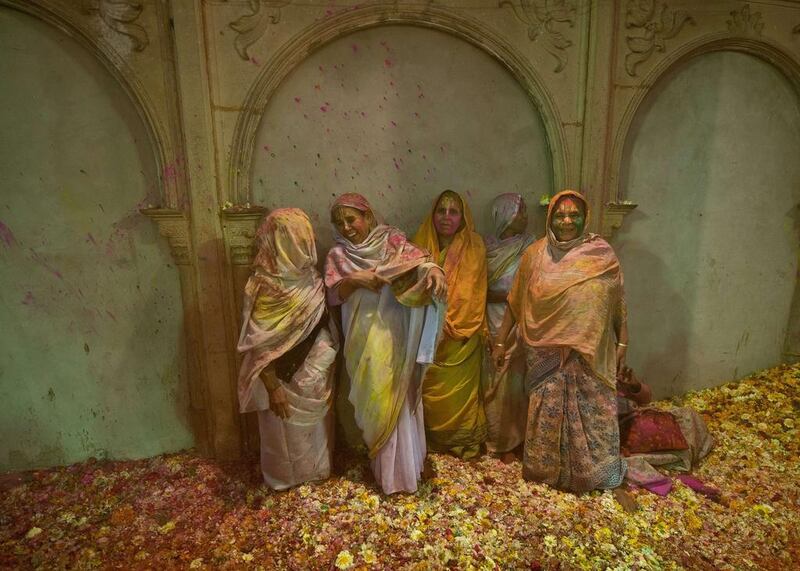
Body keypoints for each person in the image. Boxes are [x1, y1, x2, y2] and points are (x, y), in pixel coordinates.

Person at [492, 190, 634, 507]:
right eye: (560, 215)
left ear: (585, 217)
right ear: (550, 218)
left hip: (590, 355)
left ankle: (594, 474)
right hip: (544, 353)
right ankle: (547, 474)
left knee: (590, 414)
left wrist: (622, 340)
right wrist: (501, 340)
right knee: (546, 413)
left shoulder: (601, 255)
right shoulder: (534, 255)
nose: (567, 221)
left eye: (574, 215)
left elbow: (618, 304)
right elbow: (516, 303)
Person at [324, 193, 446, 494]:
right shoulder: (337, 256)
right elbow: (332, 297)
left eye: (351, 219)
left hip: (394, 331)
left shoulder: (391, 241)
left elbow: (420, 261)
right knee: (373, 397)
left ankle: (405, 472)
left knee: (397, 394)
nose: (346, 227)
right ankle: (386, 472)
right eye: (339, 223)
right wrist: (355, 280)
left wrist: (433, 270)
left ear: (367, 216)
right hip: (362, 335)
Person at [237, 208, 338, 490]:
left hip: (315, 376)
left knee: (316, 434)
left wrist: (323, 358)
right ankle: (286, 482)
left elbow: (322, 324)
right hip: (282, 382)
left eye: (306, 235)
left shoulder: (312, 278)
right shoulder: (265, 285)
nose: (307, 242)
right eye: (297, 237)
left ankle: (317, 473)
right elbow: (258, 344)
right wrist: (272, 385)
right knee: (283, 436)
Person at [413, 190, 488, 459]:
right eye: (441, 211)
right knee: (427, 389)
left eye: (453, 211)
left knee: (459, 396)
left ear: (463, 217)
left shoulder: (475, 246)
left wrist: (449, 324)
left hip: (462, 336)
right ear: (432, 215)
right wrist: (433, 325)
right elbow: (410, 290)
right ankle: (429, 440)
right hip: (426, 334)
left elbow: (474, 291)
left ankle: (460, 442)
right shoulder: (419, 245)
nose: (446, 217)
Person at [483, 193, 535, 462]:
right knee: (495, 380)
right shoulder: (486, 248)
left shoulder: (531, 247)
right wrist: (497, 295)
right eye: (520, 211)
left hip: (521, 321)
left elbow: (531, 286)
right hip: (490, 319)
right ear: (505, 214)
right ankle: (498, 441)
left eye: (525, 211)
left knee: (518, 382)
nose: (526, 217)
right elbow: (478, 287)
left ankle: (520, 439)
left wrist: (509, 296)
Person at [617, 366, 716, 498]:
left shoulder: (616, 372)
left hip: (645, 421)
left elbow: (645, 399)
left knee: (688, 416)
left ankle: (683, 456)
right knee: (648, 431)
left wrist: (635, 385)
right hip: (625, 433)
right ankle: (676, 467)